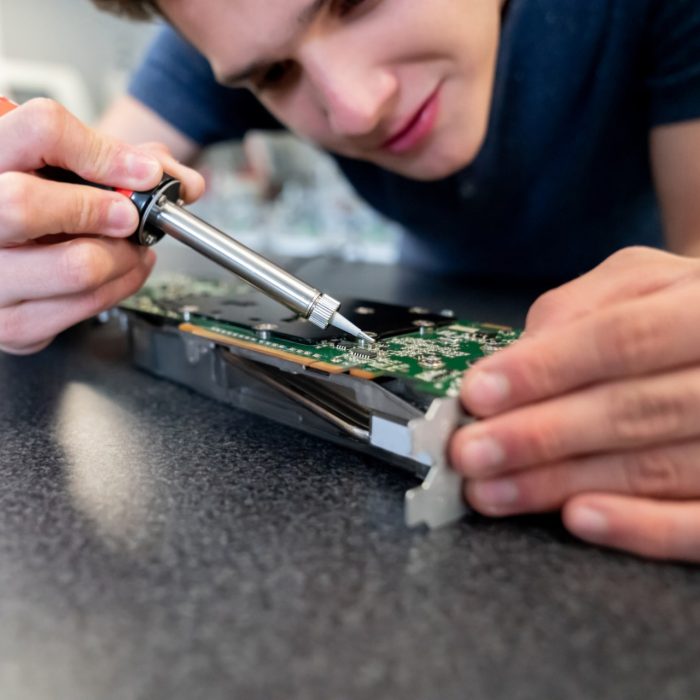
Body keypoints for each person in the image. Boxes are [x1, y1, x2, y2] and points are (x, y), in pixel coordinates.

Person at [1, 0, 699, 562]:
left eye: (358, 1)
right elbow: (71, 188)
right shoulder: (224, 24)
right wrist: (36, 238)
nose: (356, 108)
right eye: (276, 75)